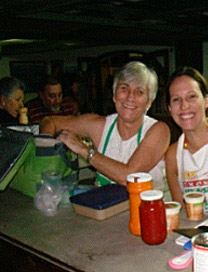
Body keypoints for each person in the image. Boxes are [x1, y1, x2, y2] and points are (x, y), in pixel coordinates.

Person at [39, 61, 170, 187]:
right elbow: (50, 122)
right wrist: (46, 167)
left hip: (146, 208)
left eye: (139, 92)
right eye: (124, 88)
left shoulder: (158, 131)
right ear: (114, 95)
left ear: (149, 102)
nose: (130, 97)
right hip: (105, 209)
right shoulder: (100, 126)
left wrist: (85, 151)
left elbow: (128, 177)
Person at [165, 67, 208, 216]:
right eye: (176, 99)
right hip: (200, 234)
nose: (184, 106)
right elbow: (182, 213)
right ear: (170, 109)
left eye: (191, 96)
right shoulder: (172, 155)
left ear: (207, 101)